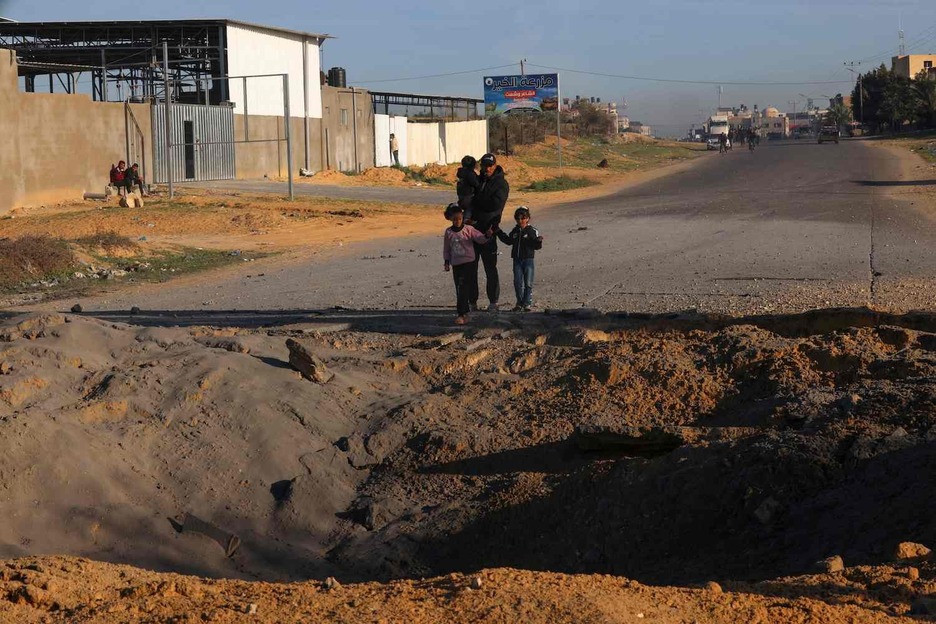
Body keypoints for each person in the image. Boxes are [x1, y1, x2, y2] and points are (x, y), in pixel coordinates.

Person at [469, 153, 509, 311]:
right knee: (471, 268)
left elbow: (495, 204)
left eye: (490, 165)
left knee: (490, 268)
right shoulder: (477, 181)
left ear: (495, 166)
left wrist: (476, 201)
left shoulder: (501, 184)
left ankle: (493, 302)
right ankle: (472, 302)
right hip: (472, 231)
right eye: (484, 165)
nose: (487, 168)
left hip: (489, 230)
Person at [442, 203, 492, 325]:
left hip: (469, 263)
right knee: (459, 288)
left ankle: (462, 313)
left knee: (463, 287)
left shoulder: (468, 229)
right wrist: (447, 262)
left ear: (463, 217)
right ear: (450, 218)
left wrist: (487, 235)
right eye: (455, 219)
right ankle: (465, 312)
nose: (457, 221)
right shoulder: (448, 232)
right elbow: (446, 248)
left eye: (459, 218)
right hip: (456, 264)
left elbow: (479, 238)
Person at [495, 206, 543, 312]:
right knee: (517, 282)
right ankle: (519, 303)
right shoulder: (515, 230)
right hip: (516, 260)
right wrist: (498, 232)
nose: (520, 220)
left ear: (528, 218)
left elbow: (536, 246)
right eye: (518, 218)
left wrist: (539, 241)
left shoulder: (532, 231)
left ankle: (527, 304)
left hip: (528, 260)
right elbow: (509, 241)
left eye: (523, 218)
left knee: (528, 282)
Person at [455, 155, 480, 221]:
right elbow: (475, 183)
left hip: (461, 195)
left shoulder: (461, 172)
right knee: (470, 208)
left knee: (466, 207)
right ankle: (466, 220)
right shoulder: (469, 173)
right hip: (468, 195)